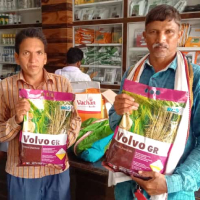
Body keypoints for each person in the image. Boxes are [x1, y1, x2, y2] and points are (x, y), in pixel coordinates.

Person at [109, 5, 200, 200]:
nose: (161, 39)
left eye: (169, 32)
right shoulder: (132, 74)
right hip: (127, 186)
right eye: (153, 32)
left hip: (173, 191)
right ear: (145, 35)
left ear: (180, 34)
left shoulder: (195, 79)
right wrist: (117, 111)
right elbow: (113, 125)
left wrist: (171, 182)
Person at [0, 28, 81, 200]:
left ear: (45, 57)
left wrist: (65, 141)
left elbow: (75, 119)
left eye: (38, 53)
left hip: (56, 170)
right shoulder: (5, 87)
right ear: (17, 57)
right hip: (22, 173)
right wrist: (16, 120)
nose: (33, 59)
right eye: (26, 53)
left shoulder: (62, 84)